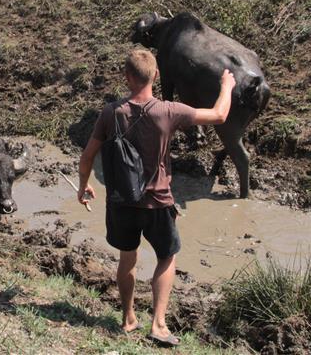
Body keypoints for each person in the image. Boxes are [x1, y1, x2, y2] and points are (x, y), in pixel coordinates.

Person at [77, 48, 236, 347]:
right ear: (156, 75)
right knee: (166, 257)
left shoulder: (111, 112)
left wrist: (83, 185)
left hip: (122, 201)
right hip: (158, 202)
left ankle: (128, 319)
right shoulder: (169, 111)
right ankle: (159, 324)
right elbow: (219, 115)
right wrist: (226, 86)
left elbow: (87, 157)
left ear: (126, 77)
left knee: (127, 257)